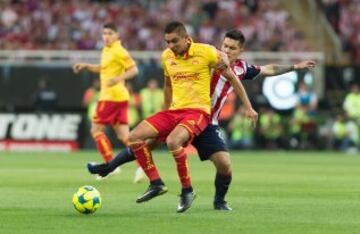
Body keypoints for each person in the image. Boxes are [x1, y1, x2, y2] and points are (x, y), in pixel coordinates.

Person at [88, 28, 316, 211]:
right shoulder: (207, 56)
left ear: (240, 50)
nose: (227, 49)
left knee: (225, 165)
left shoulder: (239, 68)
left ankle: (219, 201)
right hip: (183, 114)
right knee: (147, 142)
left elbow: (268, 69)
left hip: (208, 122)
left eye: (232, 48)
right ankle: (108, 168)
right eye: (225, 45)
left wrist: (295, 67)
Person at [127, 21, 258, 213]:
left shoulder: (211, 55)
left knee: (221, 163)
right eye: (167, 42)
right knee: (134, 138)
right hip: (176, 112)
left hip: (202, 116)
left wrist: (248, 107)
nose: (170, 46)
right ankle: (155, 182)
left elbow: (249, 74)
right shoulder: (168, 57)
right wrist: (166, 110)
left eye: (174, 42)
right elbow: (168, 85)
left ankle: (210, 198)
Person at [73, 22, 139, 176]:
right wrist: (86, 65)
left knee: (96, 130)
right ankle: (143, 165)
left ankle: (111, 165)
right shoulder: (107, 50)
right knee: (125, 136)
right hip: (120, 97)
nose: (106, 36)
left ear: (117, 35)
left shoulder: (119, 51)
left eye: (110, 33)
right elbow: (102, 68)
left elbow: (134, 70)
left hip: (110, 97)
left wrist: (117, 79)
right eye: (104, 33)